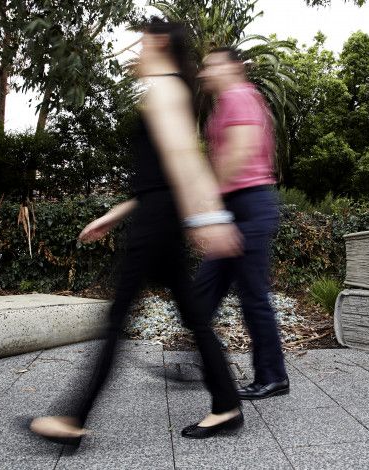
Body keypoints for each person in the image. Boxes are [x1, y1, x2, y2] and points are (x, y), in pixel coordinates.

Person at [29, 18, 244, 444]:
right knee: (194, 316)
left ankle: (72, 419)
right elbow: (161, 176)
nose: (134, 52)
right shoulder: (166, 90)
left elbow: (185, 160)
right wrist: (116, 213)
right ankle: (226, 403)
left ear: (159, 43)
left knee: (116, 318)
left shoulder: (165, 90)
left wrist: (210, 218)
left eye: (140, 43)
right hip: (155, 217)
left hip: (157, 225)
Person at [194, 47, 289, 400]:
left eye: (212, 65)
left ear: (234, 67)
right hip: (236, 204)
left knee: (253, 296)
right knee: (204, 292)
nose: (205, 72)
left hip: (247, 203)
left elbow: (242, 150)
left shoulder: (239, 97)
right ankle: (205, 363)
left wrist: (210, 202)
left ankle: (272, 376)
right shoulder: (228, 102)